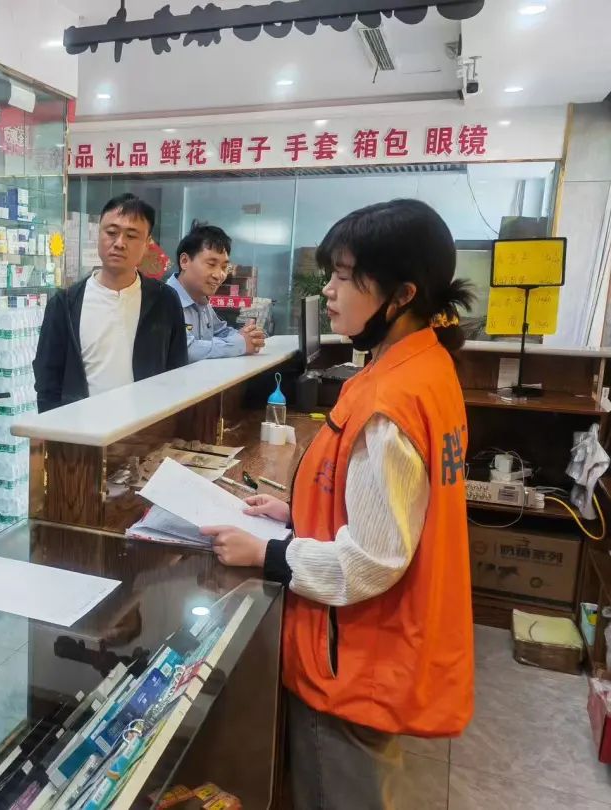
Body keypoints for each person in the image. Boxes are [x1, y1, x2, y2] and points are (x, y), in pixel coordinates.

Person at [201, 199, 475, 810]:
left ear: (401, 295)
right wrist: (299, 515)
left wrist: (270, 555)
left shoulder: (391, 402)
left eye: (346, 276)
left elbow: (371, 561)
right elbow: (383, 502)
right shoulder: (421, 367)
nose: (327, 290)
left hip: (355, 660)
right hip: (378, 649)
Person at [33, 194, 187, 412]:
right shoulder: (65, 304)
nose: (119, 243)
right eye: (111, 232)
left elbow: (177, 373)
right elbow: (47, 380)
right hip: (81, 427)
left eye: (131, 236)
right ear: (99, 234)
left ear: (147, 244)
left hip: (146, 426)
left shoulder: (164, 301)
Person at [167, 221, 266, 361]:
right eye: (211, 264)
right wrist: (240, 344)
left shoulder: (201, 299)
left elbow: (220, 331)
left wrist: (250, 336)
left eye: (224, 267)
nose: (219, 275)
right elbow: (185, 349)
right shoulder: (164, 300)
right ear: (184, 261)